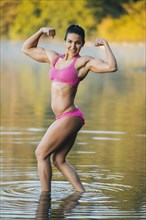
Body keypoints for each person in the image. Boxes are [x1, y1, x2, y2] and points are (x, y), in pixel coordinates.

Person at [22, 24, 117, 193]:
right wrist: (41, 31)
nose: (73, 46)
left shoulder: (82, 62)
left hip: (70, 116)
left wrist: (106, 45)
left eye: (78, 43)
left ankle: (45, 197)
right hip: (64, 118)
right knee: (58, 160)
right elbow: (26, 49)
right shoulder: (54, 58)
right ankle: (81, 192)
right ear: (64, 41)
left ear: (83, 43)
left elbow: (111, 67)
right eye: (70, 42)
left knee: (40, 153)